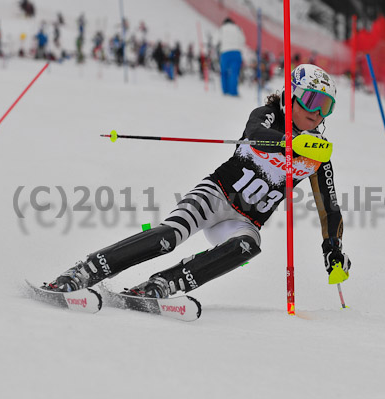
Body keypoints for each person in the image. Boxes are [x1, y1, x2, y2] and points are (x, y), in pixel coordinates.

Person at [43, 64, 351, 299]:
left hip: (245, 221)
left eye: (326, 107)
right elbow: (255, 134)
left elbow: (329, 206)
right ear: (291, 95)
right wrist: (289, 143)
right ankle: (87, 270)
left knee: (248, 246)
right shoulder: (268, 116)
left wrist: (333, 248)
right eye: (311, 100)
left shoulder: (317, 155)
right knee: (169, 237)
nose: (317, 113)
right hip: (215, 195)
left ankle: (164, 284)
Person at [219, 17, 245, 96]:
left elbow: (215, 40)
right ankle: (233, 92)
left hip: (225, 52)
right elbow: (242, 40)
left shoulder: (222, 29)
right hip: (236, 52)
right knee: (234, 73)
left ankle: (225, 91)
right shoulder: (237, 28)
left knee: (224, 73)